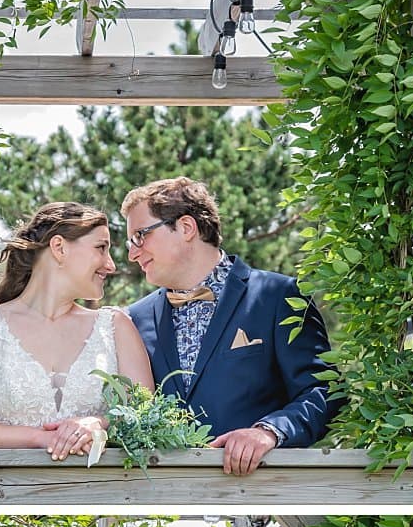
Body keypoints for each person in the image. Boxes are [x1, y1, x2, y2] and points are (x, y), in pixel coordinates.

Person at [122, 177, 335, 476]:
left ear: (186, 228)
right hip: (161, 504)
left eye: (140, 236)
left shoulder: (278, 296)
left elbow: (324, 391)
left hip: (262, 498)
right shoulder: (133, 319)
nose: (132, 253)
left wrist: (268, 432)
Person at [0, 202, 155, 460]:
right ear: (59, 248)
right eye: (101, 248)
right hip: (3, 493)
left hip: (99, 495)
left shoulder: (116, 327)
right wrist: (40, 437)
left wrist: (99, 423)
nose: (111, 265)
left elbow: (146, 416)